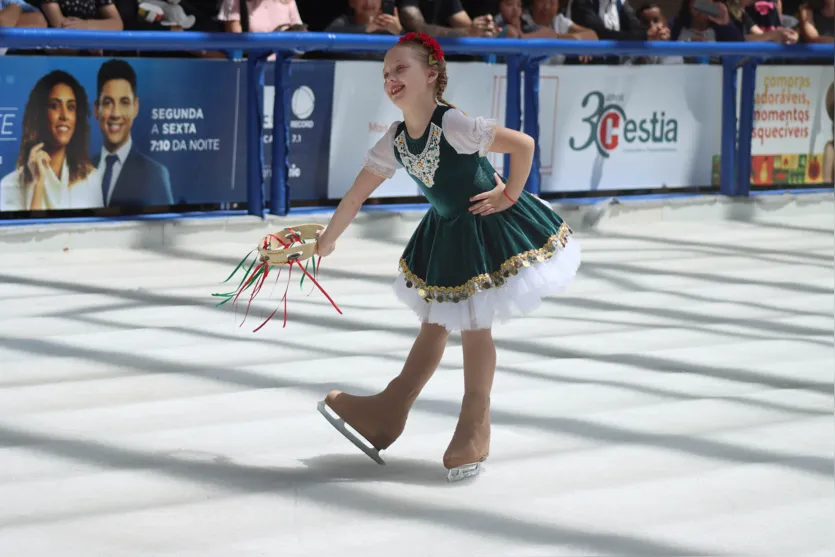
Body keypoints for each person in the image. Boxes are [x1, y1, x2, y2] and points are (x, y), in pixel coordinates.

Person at [314, 32, 581, 481]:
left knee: (475, 327)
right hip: (445, 231)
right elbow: (355, 197)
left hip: (485, 226)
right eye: (386, 73)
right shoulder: (396, 139)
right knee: (434, 326)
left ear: (431, 75)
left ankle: (476, 422)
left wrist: (509, 194)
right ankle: (389, 410)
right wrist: (327, 240)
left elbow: (524, 144)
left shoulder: (453, 124)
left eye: (401, 69)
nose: (391, 78)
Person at [0, 70, 101, 211]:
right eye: (54, 106)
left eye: (71, 107)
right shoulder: (9, 185)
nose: (64, 116)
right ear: (39, 114)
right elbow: (28, 232)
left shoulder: (91, 179)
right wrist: (38, 183)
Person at [93, 59, 173, 207]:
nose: (115, 113)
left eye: (124, 103)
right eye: (108, 102)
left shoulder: (155, 174)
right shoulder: (83, 170)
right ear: (96, 109)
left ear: (135, 107)